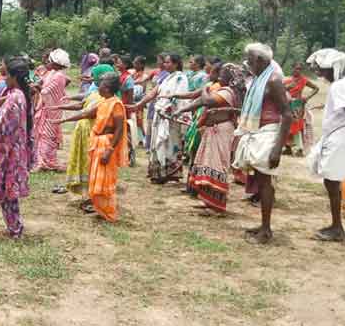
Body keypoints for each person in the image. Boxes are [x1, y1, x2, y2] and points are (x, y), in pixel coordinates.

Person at [232, 43, 292, 245]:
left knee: (266, 181)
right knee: (260, 178)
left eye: (249, 59)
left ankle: (266, 230)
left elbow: (287, 114)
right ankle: (263, 225)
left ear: (260, 60)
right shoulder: (259, 79)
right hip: (257, 132)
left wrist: (277, 149)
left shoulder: (274, 80)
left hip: (268, 134)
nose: (247, 63)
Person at [173, 64, 243, 213]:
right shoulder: (219, 90)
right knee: (207, 164)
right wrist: (182, 110)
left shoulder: (228, 92)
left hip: (221, 131)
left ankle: (217, 204)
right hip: (213, 130)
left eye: (223, 74)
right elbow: (199, 101)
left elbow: (207, 101)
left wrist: (205, 88)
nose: (219, 76)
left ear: (230, 79)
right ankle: (208, 200)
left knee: (217, 165)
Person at [0, 57, 34, 238]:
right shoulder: (19, 95)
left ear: (14, 77)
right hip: (14, 149)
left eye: (6, 75)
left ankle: (15, 228)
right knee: (9, 193)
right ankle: (14, 226)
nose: (4, 79)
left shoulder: (14, 98)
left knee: (8, 191)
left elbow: (3, 127)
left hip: (9, 151)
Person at [306, 48, 345, 241]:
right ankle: (336, 225)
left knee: (332, 180)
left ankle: (337, 228)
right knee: (331, 180)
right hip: (337, 135)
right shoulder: (340, 85)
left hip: (340, 136)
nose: (319, 73)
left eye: (322, 69)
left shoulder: (339, 85)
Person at [51, 67, 110, 203]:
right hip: (83, 131)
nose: (94, 81)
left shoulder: (105, 99)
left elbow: (86, 112)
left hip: (92, 132)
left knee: (89, 162)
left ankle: (91, 194)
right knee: (82, 160)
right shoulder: (95, 92)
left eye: (99, 80)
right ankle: (85, 193)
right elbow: (82, 105)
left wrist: (63, 119)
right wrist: (60, 107)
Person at [133, 54, 188, 184]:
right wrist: (138, 104)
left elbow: (180, 97)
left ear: (176, 64)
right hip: (160, 115)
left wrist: (168, 111)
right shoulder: (166, 78)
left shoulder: (181, 78)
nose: (165, 64)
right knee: (158, 143)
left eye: (168, 62)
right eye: (165, 62)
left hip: (171, 117)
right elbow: (153, 93)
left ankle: (171, 173)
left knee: (171, 144)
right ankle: (158, 173)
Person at [85, 73, 128, 221]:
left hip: (106, 144)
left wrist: (109, 151)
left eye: (101, 84)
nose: (98, 86)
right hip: (97, 142)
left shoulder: (116, 104)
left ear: (108, 88)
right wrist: (63, 119)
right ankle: (100, 208)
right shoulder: (103, 102)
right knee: (96, 177)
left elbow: (119, 129)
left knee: (105, 179)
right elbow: (86, 114)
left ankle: (108, 212)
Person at [32, 48, 71, 172]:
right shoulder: (51, 73)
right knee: (42, 135)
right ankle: (43, 160)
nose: (47, 63)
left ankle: (46, 162)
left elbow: (47, 91)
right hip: (46, 109)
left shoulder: (59, 76)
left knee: (48, 136)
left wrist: (39, 88)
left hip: (52, 110)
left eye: (49, 60)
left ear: (55, 63)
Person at [283, 62, 319, 157]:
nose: (297, 71)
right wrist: (287, 88)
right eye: (296, 68)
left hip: (298, 106)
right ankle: (288, 148)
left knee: (297, 127)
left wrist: (307, 97)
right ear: (292, 68)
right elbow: (280, 91)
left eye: (299, 69)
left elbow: (316, 88)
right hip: (287, 105)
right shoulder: (287, 80)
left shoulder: (303, 80)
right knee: (287, 126)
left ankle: (300, 149)